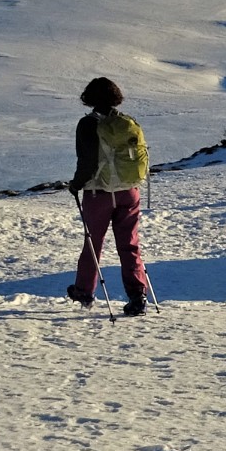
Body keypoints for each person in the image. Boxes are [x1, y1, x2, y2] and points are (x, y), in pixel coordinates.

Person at [67, 76, 150, 316]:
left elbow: (87, 161)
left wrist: (76, 184)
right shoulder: (128, 122)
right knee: (130, 243)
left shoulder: (87, 124)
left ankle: (84, 291)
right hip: (129, 191)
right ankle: (138, 295)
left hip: (99, 193)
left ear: (89, 98)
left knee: (93, 242)